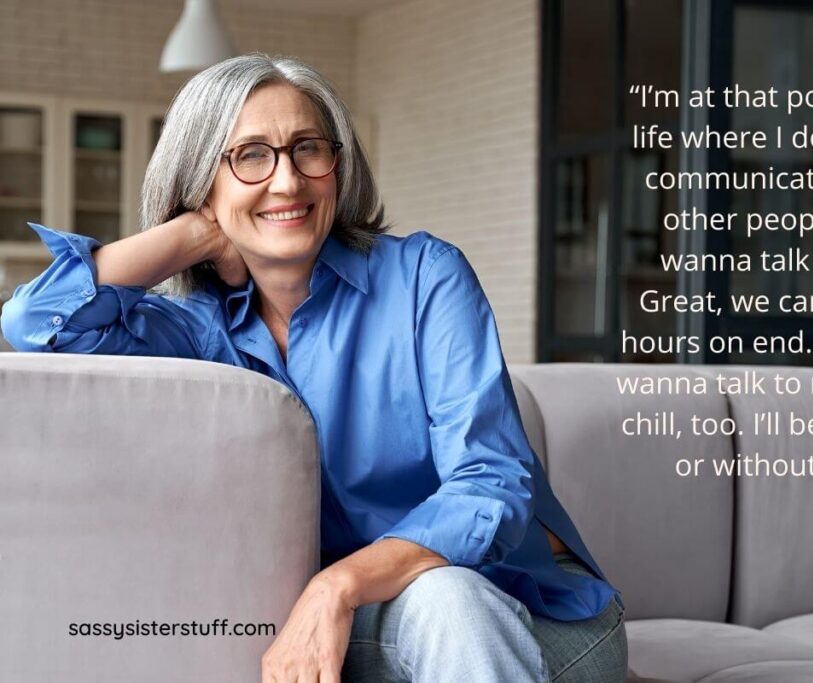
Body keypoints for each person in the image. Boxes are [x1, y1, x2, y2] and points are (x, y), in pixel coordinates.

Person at [0, 54, 626, 682]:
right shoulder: (193, 330)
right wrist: (193, 235)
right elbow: (35, 323)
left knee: (448, 598)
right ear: (200, 182)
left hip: (524, 612)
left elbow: (491, 482)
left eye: (308, 150)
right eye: (249, 156)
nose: (287, 182)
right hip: (350, 628)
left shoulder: (425, 278)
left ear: (338, 166)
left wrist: (339, 585)